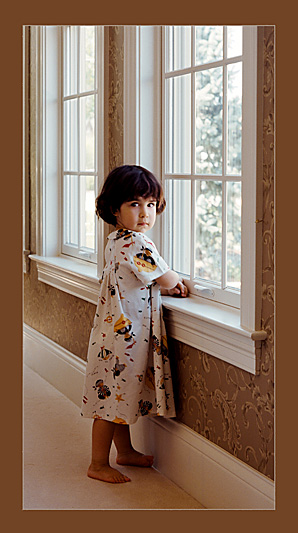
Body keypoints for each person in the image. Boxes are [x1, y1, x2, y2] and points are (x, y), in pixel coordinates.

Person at [81, 164, 188, 483]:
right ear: (115, 208)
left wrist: (163, 283)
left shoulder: (117, 240)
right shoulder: (137, 243)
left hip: (112, 333)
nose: (145, 212)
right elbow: (164, 276)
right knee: (109, 403)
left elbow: (140, 277)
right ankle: (97, 463)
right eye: (135, 204)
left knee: (119, 397)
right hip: (123, 339)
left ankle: (124, 452)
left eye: (151, 204)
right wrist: (175, 281)